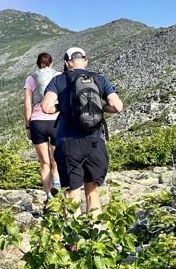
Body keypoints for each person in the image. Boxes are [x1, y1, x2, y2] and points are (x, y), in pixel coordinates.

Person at [41, 47, 123, 215]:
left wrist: (63, 107)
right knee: (93, 192)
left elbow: (46, 107)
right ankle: (95, 236)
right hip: (95, 142)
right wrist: (100, 107)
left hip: (68, 143)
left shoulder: (59, 80)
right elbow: (117, 106)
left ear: (66, 63)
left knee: (72, 194)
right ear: (85, 61)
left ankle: (74, 240)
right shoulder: (99, 79)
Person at [24, 52, 61, 201]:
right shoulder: (58, 75)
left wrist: (28, 126)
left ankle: (49, 198)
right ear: (51, 63)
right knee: (56, 159)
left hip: (37, 122)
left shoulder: (31, 78)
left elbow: (27, 105)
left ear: (37, 64)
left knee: (44, 162)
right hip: (56, 121)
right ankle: (57, 183)